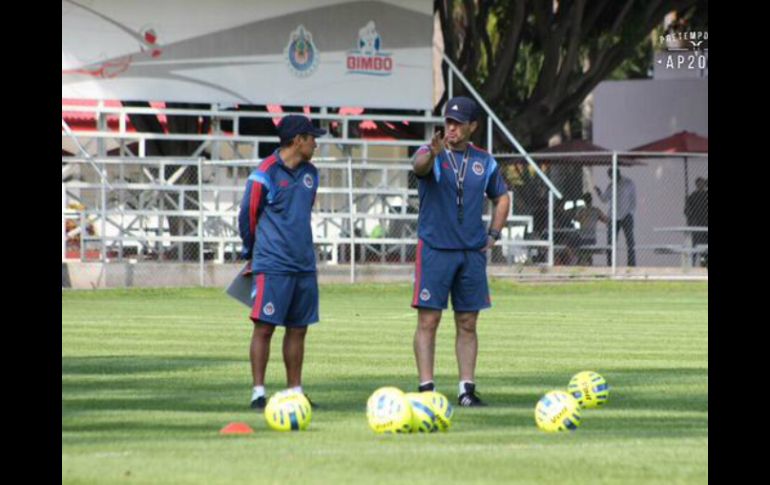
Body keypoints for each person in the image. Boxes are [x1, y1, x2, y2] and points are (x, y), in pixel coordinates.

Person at [411, 96, 511, 406]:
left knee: (468, 323)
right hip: (435, 250)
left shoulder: (484, 161)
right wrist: (431, 152)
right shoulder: (432, 152)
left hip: (471, 253)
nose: (451, 128)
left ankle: (466, 390)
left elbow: (502, 197)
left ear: (472, 127)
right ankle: (427, 390)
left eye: (458, 123)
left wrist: (493, 234)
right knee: (429, 321)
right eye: (448, 122)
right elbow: (418, 166)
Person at [238, 114, 326, 409]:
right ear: (298, 140)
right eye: (312, 138)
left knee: (299, 328)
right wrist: (252, 253)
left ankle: (295, 392)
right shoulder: (264, 174)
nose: (315, 144)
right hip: (272, 265)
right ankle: (258, 393)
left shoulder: (311, 174)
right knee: (264, 327)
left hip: (304, 265)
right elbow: (248, 216)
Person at [595, 168, 637, 266]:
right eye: (610, 177)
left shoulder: (628, 183)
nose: (611, 178)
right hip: (613, 216)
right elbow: (604, 199)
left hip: (626, 215)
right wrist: (599, 192)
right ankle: (610, 264)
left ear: (617, 173)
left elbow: (633, 199)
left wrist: (631, 212)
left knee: (630, 241)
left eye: (611, 176)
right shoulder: (611, 186)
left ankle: (631, 264)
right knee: (610, 242)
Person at [572, 193, 609, 266]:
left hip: (582, 238)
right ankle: (586, 262)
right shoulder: (595, 210)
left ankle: (581, 262)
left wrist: (582, 217)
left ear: (584, 201)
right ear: (591, 200)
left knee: (579, 251)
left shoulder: (583, 211)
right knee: (586, 254)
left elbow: (575, 219)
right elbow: (606, 220)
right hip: (591, 238)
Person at [684, 177, 708, 267]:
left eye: (702, 183)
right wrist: (687, 202)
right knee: (695, 246)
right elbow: (687, 211)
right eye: (699, 183)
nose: (701, 185)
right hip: (697, 224)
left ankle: (704, 265)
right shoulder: (693, 196)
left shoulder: (706, 195)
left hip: (705, 224)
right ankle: (692, 265)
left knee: (704, 248)